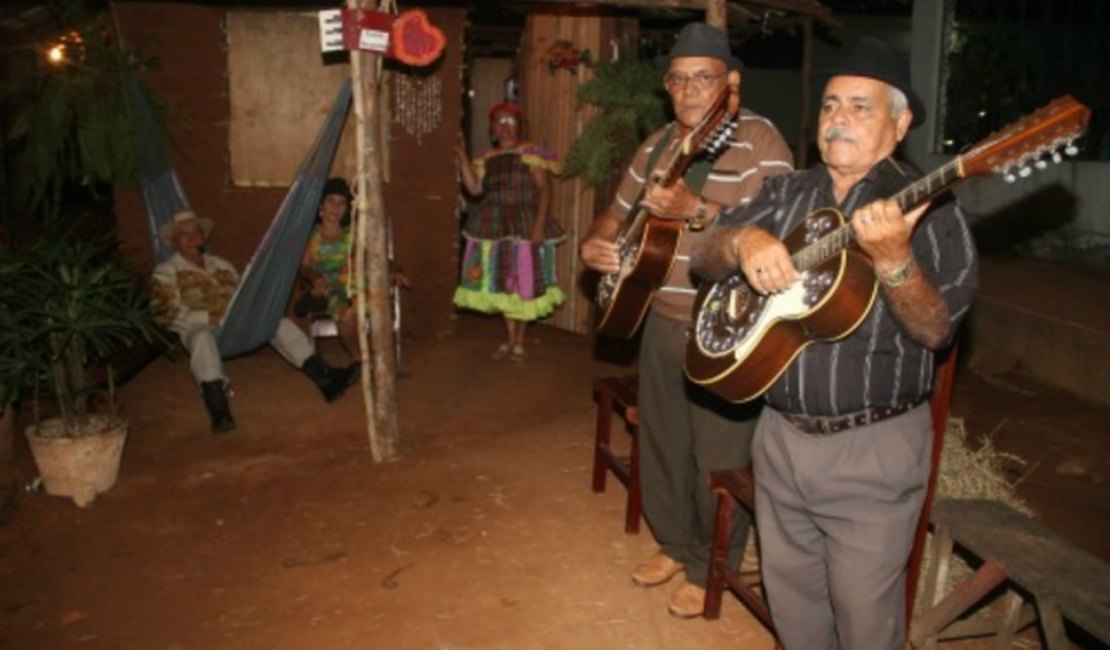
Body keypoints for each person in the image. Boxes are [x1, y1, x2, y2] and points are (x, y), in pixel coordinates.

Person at [691, 37, 979, 649]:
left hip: (871, 450)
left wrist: (896, 262)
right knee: (792, 608)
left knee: (865, 623)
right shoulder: (786, 193)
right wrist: (744, 241)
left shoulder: (931, 208)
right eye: (828, 106)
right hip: (778, 440)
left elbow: (936, 330)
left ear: (899, 124)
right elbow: (705, 252)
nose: (838, 119)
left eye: (859, 106)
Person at [579, 22, 794, 618]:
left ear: (730, 83)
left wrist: (696, 208)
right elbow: (612, 216)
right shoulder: (655, 147)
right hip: (662, 316)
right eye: (677, 80)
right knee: (665, 444)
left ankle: (710, 563)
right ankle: (676, 544)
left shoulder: (758, 141)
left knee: (718, 455)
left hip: (729, 329)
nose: (689, 91)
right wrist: (594, 248)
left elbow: (777, 235)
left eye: (703, 79)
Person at [152, 210, 357, 435]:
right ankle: (219, 410)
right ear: (174, 241)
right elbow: (165, 313)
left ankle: (326, 379)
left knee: (277, 323)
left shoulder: (222, 265)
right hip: (199, 327)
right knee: (202, 339)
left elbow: (243, 295)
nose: (192, 239)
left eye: (197, 233)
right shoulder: (166, 272)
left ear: (204, 237)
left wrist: (254, 310)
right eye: (184, 234)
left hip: (235, 325)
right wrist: (208, 318)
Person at [454, 101, 565, 362]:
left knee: (523, 281)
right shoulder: (486, 159)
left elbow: (545, 191)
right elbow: (474, 189)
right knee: (505, 281)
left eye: (511, 122)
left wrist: (539, 226)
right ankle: (509, 338)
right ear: (492, 129)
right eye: (500, 123)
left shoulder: (531, 153)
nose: (505, 127)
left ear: (519, 128)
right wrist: (462, 158)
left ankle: (519, 341)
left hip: (524, 224)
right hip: (494, 224)